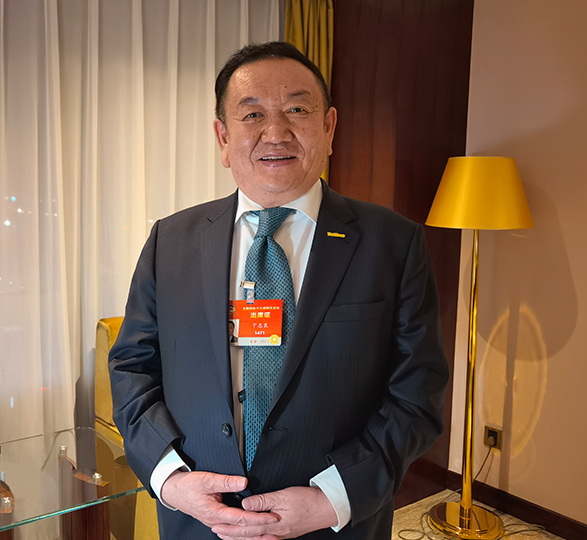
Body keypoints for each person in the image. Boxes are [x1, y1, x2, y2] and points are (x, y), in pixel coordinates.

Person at [109, 41, 449, 540]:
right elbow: (132, 368)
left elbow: (417, 392)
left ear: (328, 128)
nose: (275, 132)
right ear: (223, 138)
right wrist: (170, 478)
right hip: (198, 523)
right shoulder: (171, 241)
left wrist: (334, 497)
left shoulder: (393, 243)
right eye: (252, 114)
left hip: (333, 525)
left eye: (297, 109)